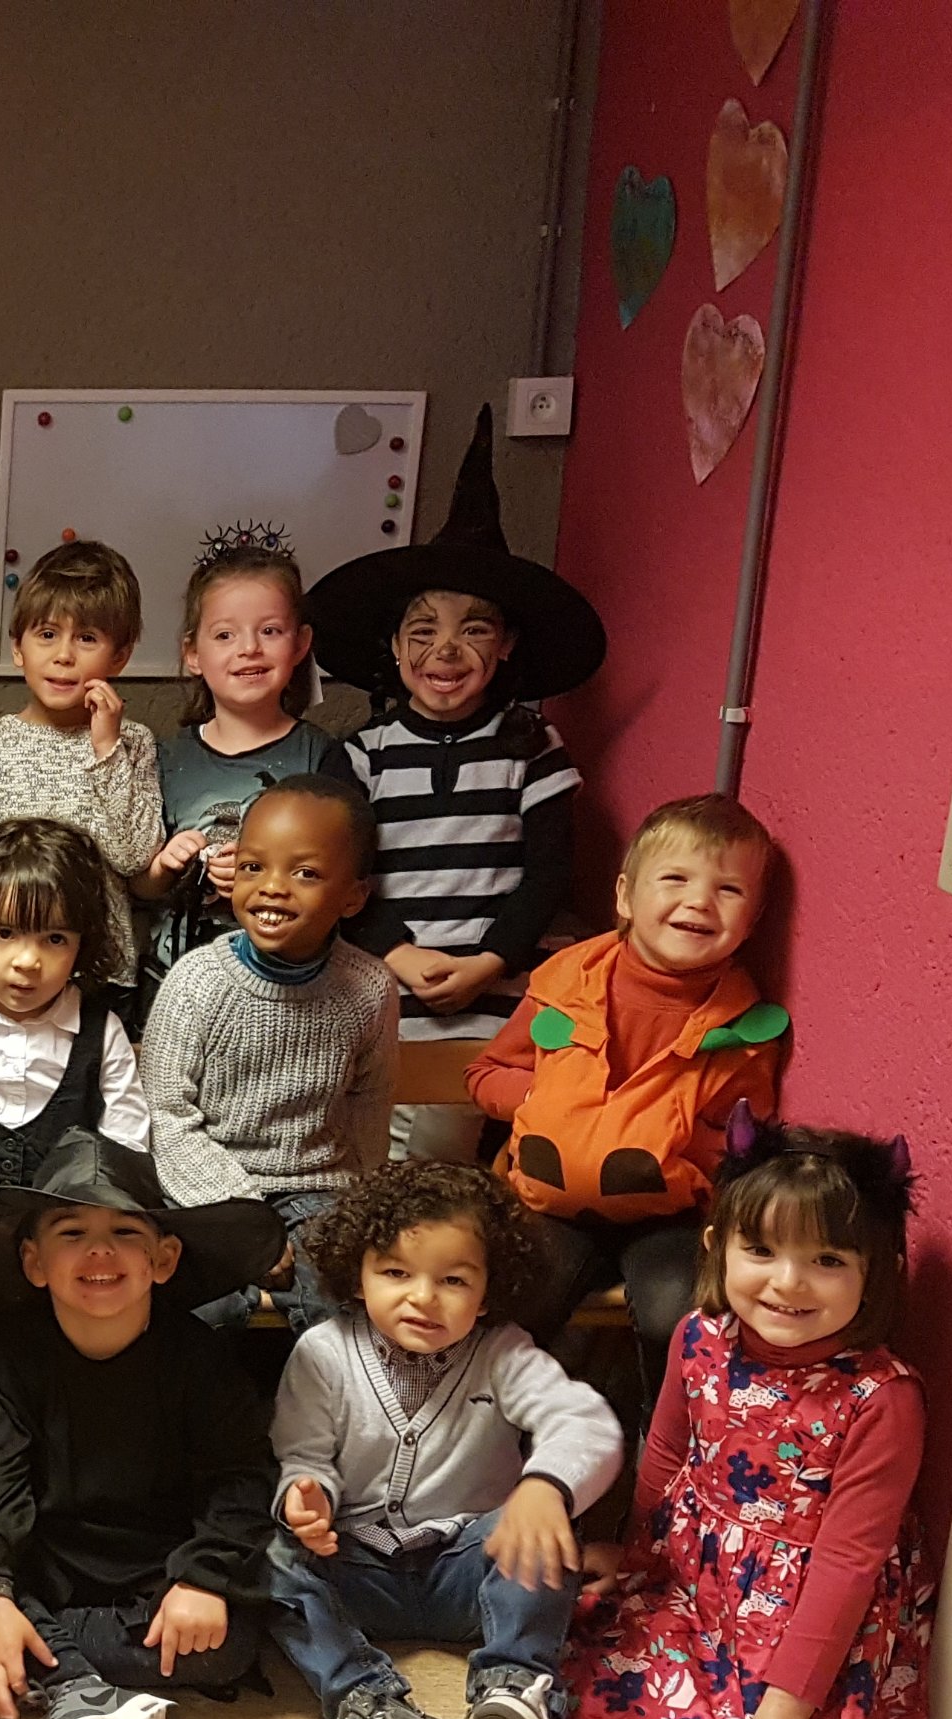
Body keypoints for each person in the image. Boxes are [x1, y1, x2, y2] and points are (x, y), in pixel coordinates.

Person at [561, 1118, 932, 1719]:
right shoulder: (700, 1336)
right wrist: (635, 1556)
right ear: (716, 1247)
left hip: (806, 1619)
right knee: (563, 1648)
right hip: (692, 1581)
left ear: (877, 1272)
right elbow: (664, 1455)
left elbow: (850, 1560)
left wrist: (791, 1699)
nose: (787, 1282)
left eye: (827, 1260)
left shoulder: (882, 1398)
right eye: (760, 1250)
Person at [0, 1133, 286, 1719]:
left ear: (163, 1259)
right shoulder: (2, 1359)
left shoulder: (200, 1357)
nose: (100, 1251)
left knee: (228, 1641)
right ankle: (75, 1684)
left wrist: (202, 1578)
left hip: (154, 1561)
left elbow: (240, 1477)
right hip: (43, 1552)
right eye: (72, 1232)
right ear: (34, 1262)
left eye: (125, 1232)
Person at [265, 1161, 623, 1719]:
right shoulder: (322, 1351)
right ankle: (369, 1706)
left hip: (469, 1570)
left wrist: (545, 1488)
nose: (423, 1297)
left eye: (453, 1280)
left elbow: (584, 1423)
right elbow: (303, 1455)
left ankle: (514, 1692)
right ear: (357, 1275)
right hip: (358, 1569)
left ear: (487, 1292)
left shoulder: (503, 1351)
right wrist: (307, 1496)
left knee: (542, 1527)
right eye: (395, 1273)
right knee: (269, 1560)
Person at [306, 406, 609, 1159]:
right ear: (394, 647)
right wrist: (398, 953)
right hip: (379, 983)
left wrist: (490, 961)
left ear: (505, 645)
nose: (446, 649)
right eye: (424, 630)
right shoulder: (362, 756)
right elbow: (340, 877)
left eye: (473, 628)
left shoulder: (532, 750)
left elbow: (548, 873)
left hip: (490, 992)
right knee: (364, 1141)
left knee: (441, 1142)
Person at [468, 793, 785, 1393]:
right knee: (512, 1301)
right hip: (550, 1204)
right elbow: (486, 1074)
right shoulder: (563, 985)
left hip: (669, 1216)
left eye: (728, 890)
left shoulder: (743, 1026)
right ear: (624, 896)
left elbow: (743, 1143)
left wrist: (673, 1137)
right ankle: (497, 1431)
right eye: (675, 879)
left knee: (681, 1317)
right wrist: (543, 1103)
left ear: (755, 918)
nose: (699, 901)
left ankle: (659, 1441)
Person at [141, 773, 397, 1329]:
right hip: (207, 1189)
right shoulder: (197, 982)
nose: (272, 888)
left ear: (353, 897)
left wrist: (367, 1207)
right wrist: (245, 1218)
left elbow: (369, 1105)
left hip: (320, 1190)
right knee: (198, 1310)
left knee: (340, 1308)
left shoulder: (370, 988)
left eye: (305, 873)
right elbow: (167, 1116)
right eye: (253, 866)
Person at [0, 817, 148, 1211]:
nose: (27, 961)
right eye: (5, 933)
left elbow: (125, 1145)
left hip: (72, 1222)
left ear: (82, 944)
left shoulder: (103, 1032)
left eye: (55, 939)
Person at [142, 529, 343, 980]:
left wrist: (261, 875)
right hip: (175, 980)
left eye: (269, 631)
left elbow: (340, 881)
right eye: (225, 634)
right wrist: (169, 864)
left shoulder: (322, 758)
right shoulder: (161, 759)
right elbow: (140, 887)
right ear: (193, 653)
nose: (249, 648)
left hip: (286, 982)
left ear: (300, 643)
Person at [0, 540, 160, 971]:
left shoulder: (133, 742)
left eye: (86, 638)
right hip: (4, 973)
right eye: (47, 635)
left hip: (98, 975)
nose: (64, 656)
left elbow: (135, 856)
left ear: (120, 657)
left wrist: (107, 750)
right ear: (18, 647)